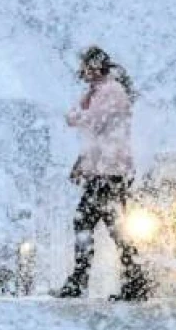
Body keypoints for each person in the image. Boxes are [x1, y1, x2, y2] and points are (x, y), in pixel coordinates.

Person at [54, 46, 151, 301]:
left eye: (85, 66)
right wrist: (81, 163)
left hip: (110, 171)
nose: (82, 71)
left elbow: (93, 123)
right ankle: (134, 279)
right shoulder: (97, 92)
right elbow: (77, 122)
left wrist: (82, 110)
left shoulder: (112, 91)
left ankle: (83, 280)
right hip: (102, 170)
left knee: (92, 223)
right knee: (111, 226)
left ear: (95, 66)